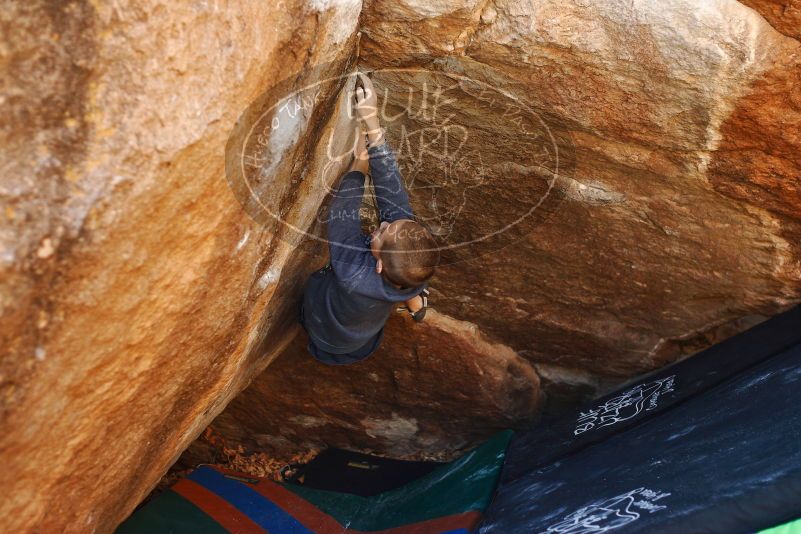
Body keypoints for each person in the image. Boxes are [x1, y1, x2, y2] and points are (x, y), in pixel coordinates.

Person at [300, 73, 439, 365]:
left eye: (382, 232)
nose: (384, 224)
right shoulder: (403, 255)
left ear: (377, 263)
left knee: (322, 312)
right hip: (368, 324)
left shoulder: (352, 269)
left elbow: (343, 213)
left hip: (330, 332)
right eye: (395, 223)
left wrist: (359, 165)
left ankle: (413, 297)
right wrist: (372, 123)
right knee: (410, 275)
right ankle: (414, 297)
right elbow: (393, 196)